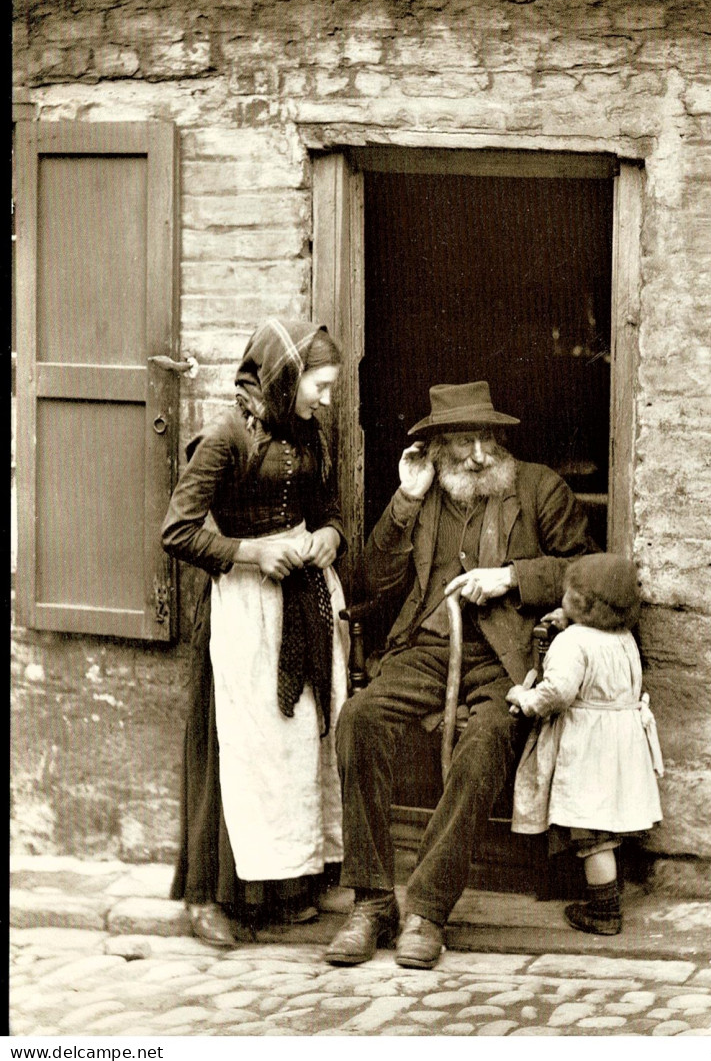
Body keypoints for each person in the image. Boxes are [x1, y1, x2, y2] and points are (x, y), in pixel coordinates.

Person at [325, 380, 597, 970]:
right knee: (358, 719)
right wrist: (402, 501)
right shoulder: (422, 494)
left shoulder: (537, 487)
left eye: (488, 439)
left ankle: (426, 909)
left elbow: (587, 570)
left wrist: (513, 578)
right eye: (462, 441)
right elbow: (373, 577)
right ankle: (373, 902)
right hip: (425, 648)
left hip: (505, 659)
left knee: (484, 745)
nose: (477, 453)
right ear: (438, 449)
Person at [162, 319, 349, 948]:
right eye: (318, 386)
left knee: (292, 746)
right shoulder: (224, 438)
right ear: (286, 377)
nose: (324, 398)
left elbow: (326, 510)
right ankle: (208, 898)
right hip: (244, 607)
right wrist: (251, 553)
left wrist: (330, 535)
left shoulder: (308, 432)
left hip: (302, 599)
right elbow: (178, 532)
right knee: (233, 750)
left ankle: (278, 890)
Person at [507, 553, 664, 936]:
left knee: (593, 836)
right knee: (605, 824)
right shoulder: (623, 637)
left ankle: (604, 911)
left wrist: (525, 699)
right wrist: (569, 622)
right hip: (621, 744)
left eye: (569, 595)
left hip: (589, 744)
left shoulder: (574, 643)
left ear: (583, 604)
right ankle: (606, 900)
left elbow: (559, 691)